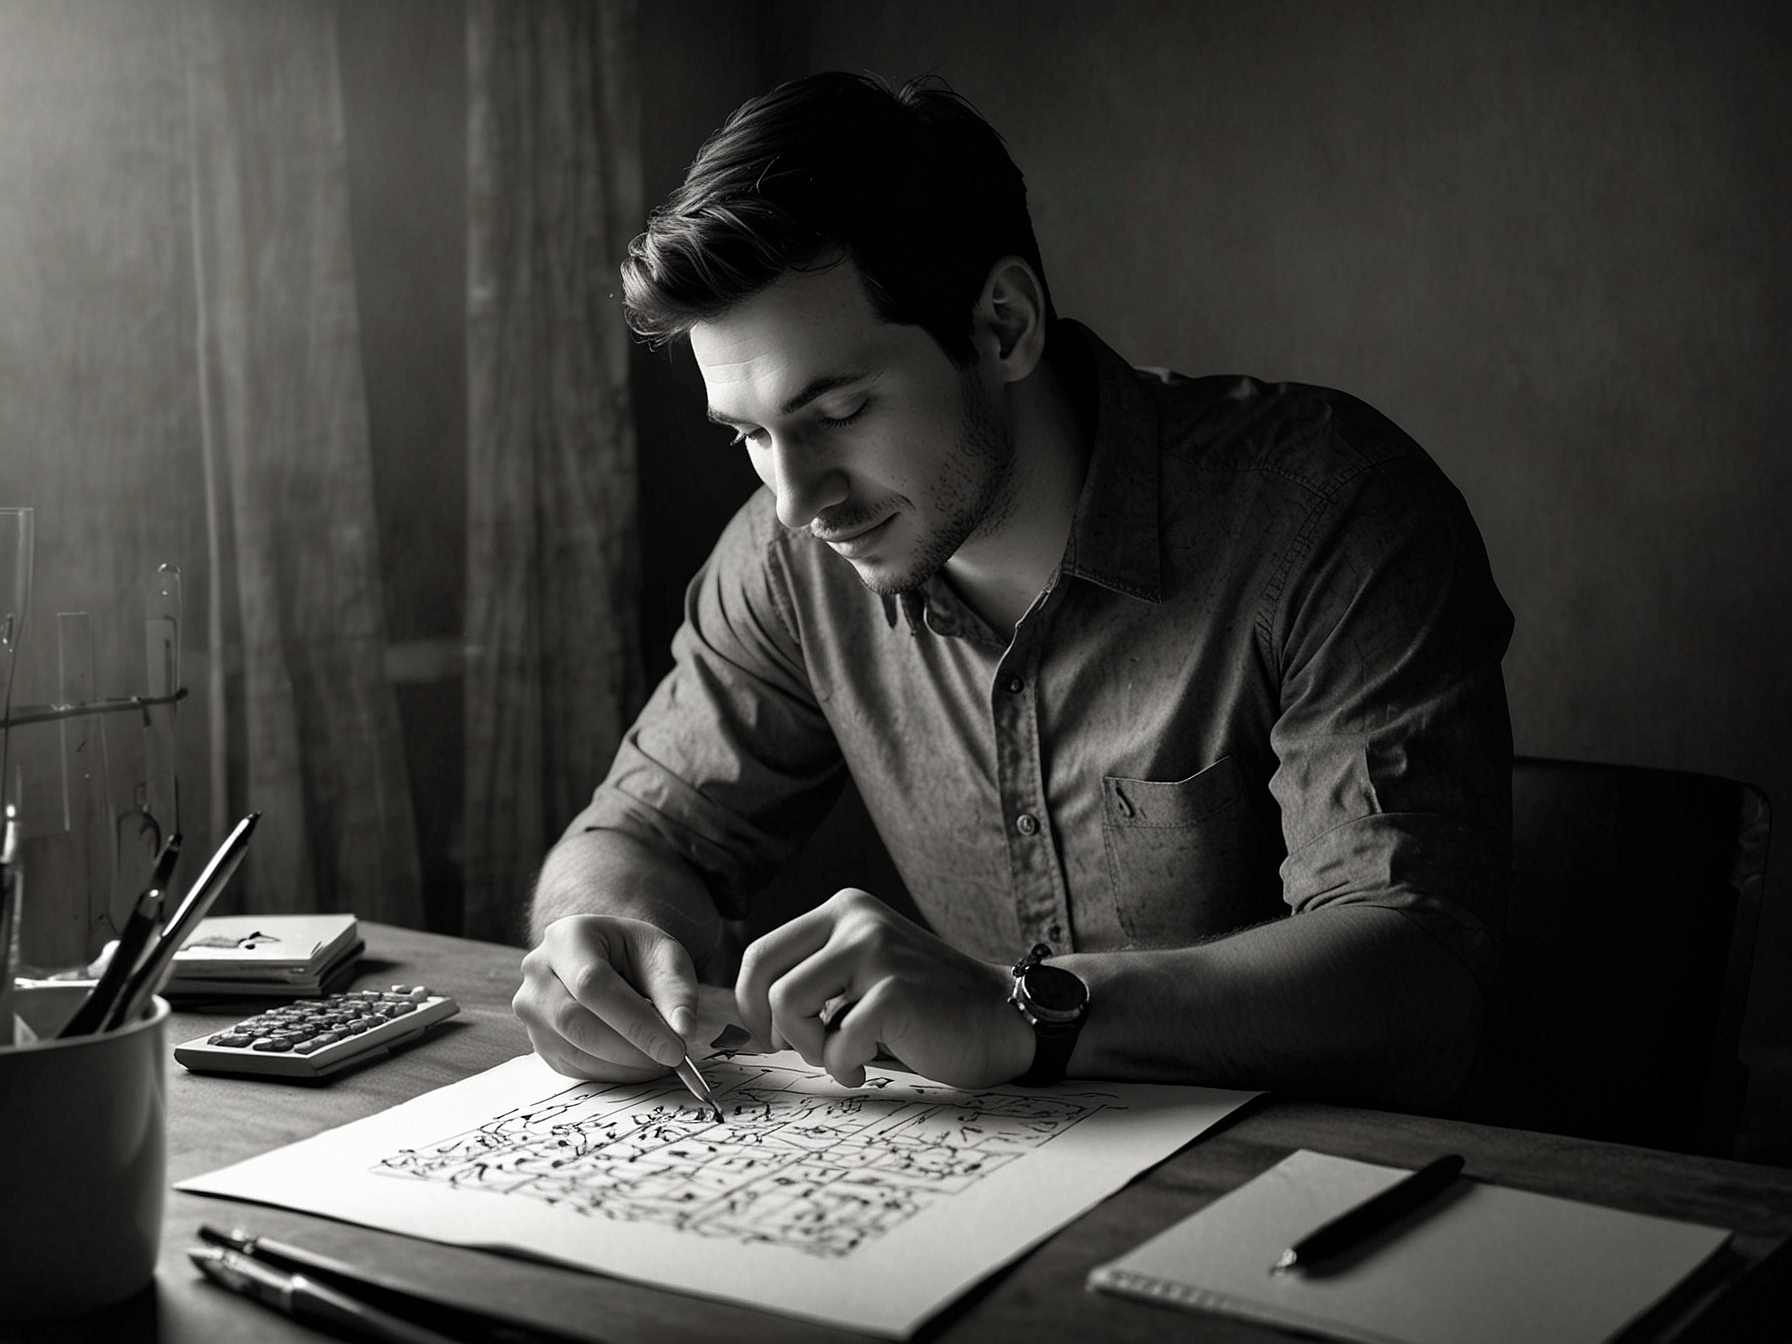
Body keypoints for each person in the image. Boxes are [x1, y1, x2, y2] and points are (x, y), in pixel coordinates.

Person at [512, 71, 1513, 1111]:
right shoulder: (788, 560)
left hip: (1335, 1200)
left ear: (1001, 325)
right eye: (752, 436)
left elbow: (1418, 983)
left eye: (839, 410)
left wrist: (1024, 1010)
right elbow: (637, 837)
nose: (796, 499)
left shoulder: (1329, 514)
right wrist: (602, 944)